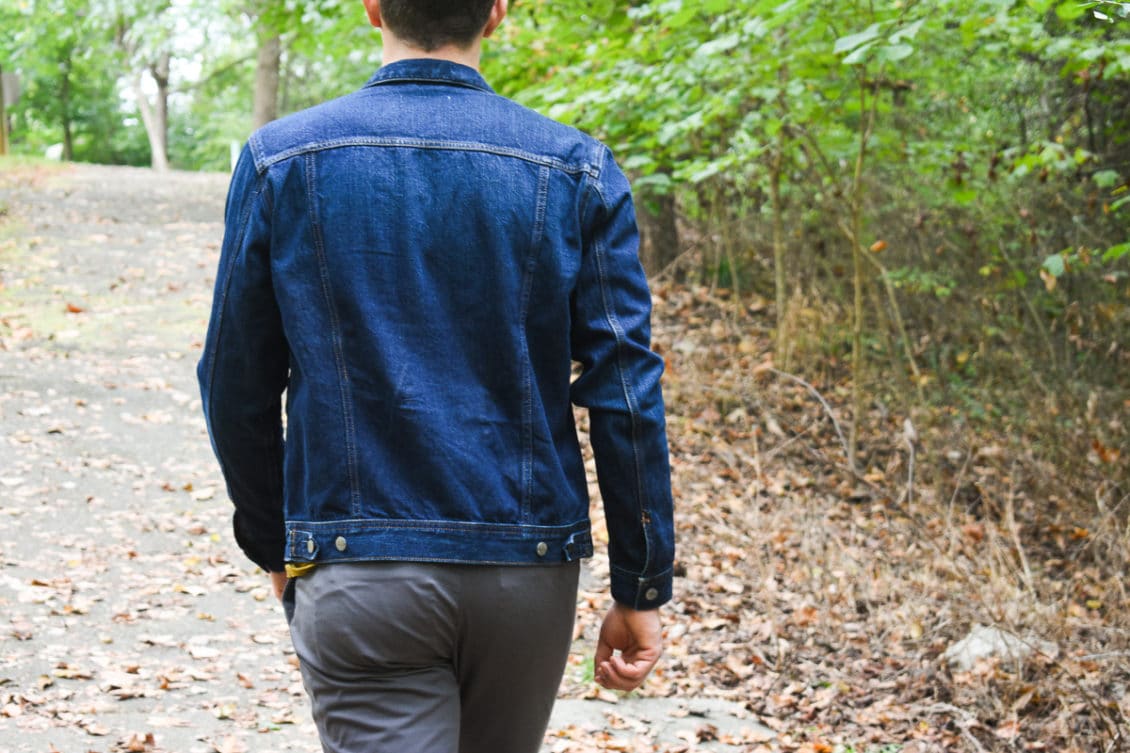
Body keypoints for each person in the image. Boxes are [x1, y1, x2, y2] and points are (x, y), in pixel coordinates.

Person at [196, 1, 675, 751]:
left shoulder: (279, 160)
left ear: (372, 7)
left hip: (359, 567)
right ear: (498, 12)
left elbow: (233, 384)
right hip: (526, 571)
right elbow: (626, 390)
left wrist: (277, 546)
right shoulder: (575, 167)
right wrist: (640, 583)